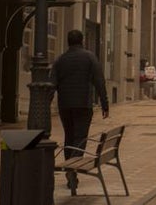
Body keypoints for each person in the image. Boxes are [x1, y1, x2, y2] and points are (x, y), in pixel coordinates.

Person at [50, 30, 109, 195]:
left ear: (68, 42)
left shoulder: (60, 60)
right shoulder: (90, 57)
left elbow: (52, 83)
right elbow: (99, 81)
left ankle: (70, 170)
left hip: (65, 105)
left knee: (69, 137)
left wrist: (46, 104)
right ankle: (72, 170)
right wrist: (105, 104)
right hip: (83, 105)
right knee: (80, 138)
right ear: (82, 41)